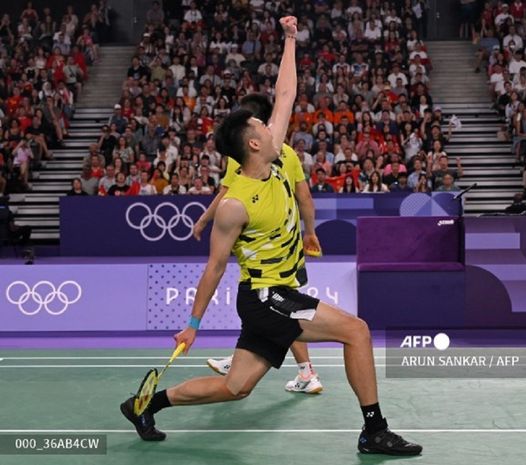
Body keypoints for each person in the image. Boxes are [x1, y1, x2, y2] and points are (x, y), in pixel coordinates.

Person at [120, 18, 420, 455]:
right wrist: (192, 325)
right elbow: (215, 267)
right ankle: (374, 430)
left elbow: (285, 93)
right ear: (253, 145)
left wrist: (290, 39)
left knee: (236, 387)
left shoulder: (275, 159)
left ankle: (144, 404)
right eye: (260, 127)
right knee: (357, 331)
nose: (270, 127)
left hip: (275, 294)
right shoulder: (235, 204)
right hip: (265, 296)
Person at [193, 93, 325, 395]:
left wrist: (204, 219)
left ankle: (305, 371)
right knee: (280, 310)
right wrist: (310, 231)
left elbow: (227, 194)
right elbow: (304, 196)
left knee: (279, 311)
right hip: (289, 251)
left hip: (265, 259)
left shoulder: (247, 158)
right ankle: (250, 358)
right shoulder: (286, 153)